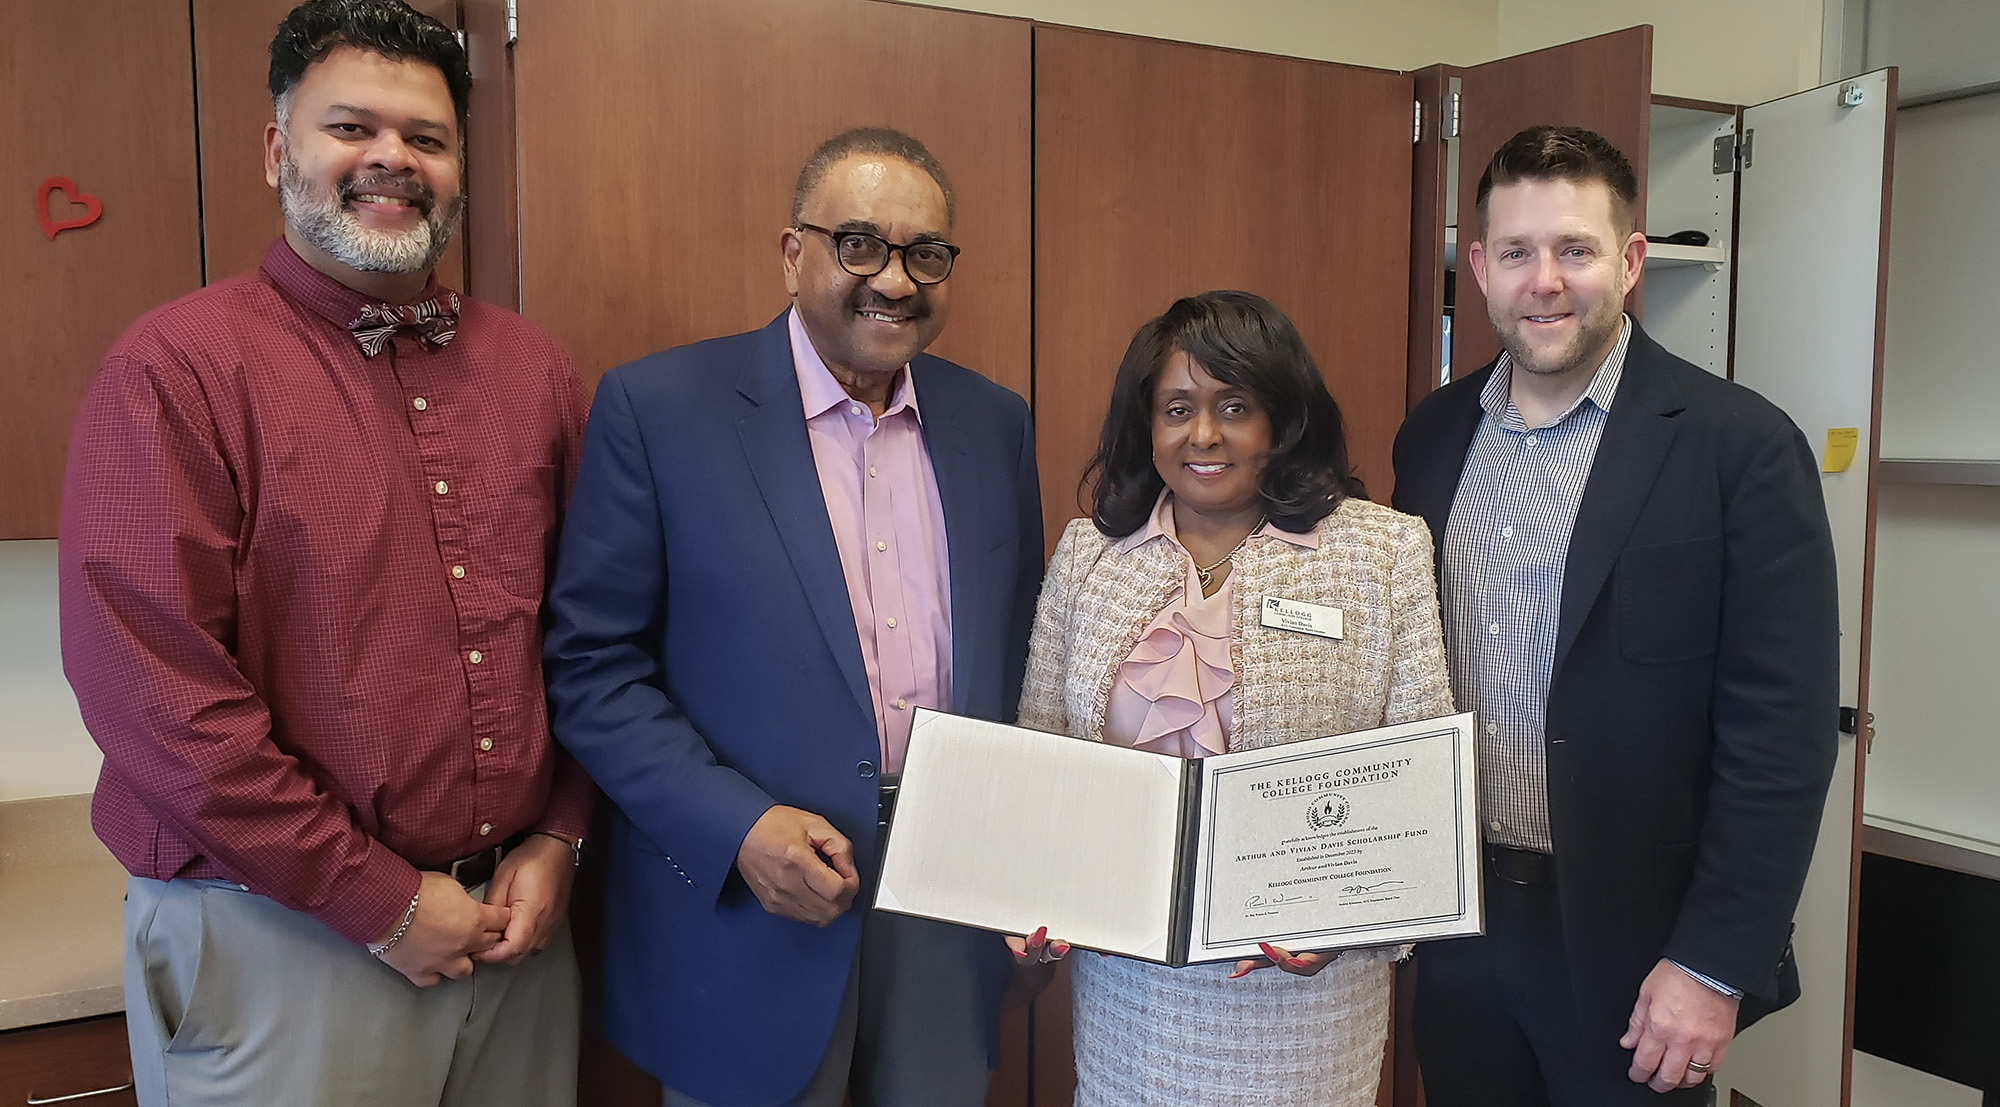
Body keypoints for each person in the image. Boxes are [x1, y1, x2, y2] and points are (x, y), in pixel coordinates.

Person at [57, 2, 590, 1105]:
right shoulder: (176, 370)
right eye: (351, 127)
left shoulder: (537, 375)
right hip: (274, 935)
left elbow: (593, 633)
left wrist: (561, 833)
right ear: (276, 150)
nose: (392, 158)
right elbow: (154, 691)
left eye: (427, 139)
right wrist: (378, 901)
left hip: (518, 935)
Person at [541, 127, 1043, 1107]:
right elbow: (592, 668)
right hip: (748, 915)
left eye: (924, 254)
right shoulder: (659, 410)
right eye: (859, 243)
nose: (894, 280)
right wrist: (738, 828)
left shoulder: (994, 423)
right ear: (791, 253)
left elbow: (1021, 653)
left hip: (948, 906)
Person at [1392, 125, 1840, 1105]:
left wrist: (1712, 965)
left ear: (1628, 261)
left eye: (1574, 250)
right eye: (1514, 252)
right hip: (1457, 928)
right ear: (1477, 267)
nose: (1542, 280)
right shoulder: (1429, 437)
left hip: (1639, 954)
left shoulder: (1740, 450)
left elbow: (1781, 739)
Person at [1012, 290, 1456, 1106]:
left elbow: (1423, 785)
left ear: (1283, 421)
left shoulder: (1383, 551)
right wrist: (1030, 900)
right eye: (1177, 407)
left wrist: (1353, 926)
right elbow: (1043, 752)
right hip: (1129, 1003)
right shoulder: (1088, 558)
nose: (1204, 435)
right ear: (1146, 424)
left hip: (1306, 1015)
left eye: (1234, 406)